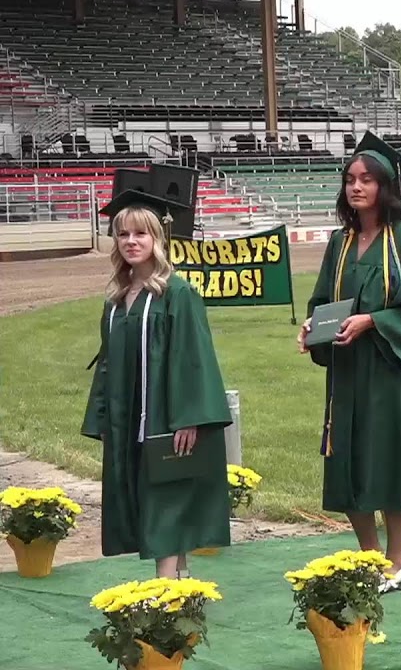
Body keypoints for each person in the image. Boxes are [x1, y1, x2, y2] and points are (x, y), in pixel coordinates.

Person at [299, 132, 401, 592]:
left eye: (366, 180)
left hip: (390, 373)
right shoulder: (339, 243)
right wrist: (311, 328)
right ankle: (370, 559)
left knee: (389, 463)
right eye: (349, 180)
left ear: (385, 187)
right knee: (347, 463)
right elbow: (323, 301)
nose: (355, 187)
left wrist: (372, 322)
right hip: (347, 372)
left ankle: (399, 563)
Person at [82, 185, 232, 579]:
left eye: (141, 233)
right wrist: (104, 417)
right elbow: (108, 364)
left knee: (166, 491)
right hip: (128, 415)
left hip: (166, 411)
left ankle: (166, 584)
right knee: (146, 490)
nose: (131, 241)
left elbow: (194, 358)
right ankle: (180, 577)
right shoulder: (118, 298)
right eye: (123, 234)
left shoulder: (176, 293)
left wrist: (189, 416)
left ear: (158, 238)